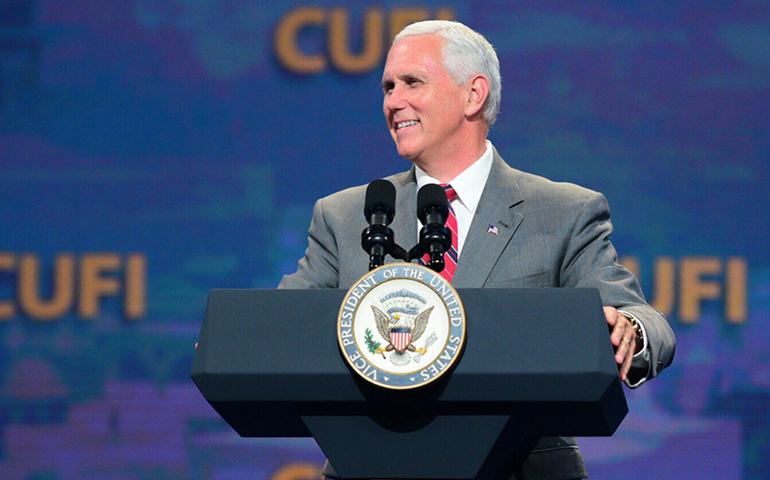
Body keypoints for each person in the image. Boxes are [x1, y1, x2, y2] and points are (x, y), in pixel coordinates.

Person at [279, 20, 676, 480]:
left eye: (412, 83)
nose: (393, 102)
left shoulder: (563, 211)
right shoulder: (350, 215)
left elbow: (648, 323)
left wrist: (630, 329)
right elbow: (285, 326)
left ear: (474, 95)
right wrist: (243, 340)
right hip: (371, 465)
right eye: (388, 87)